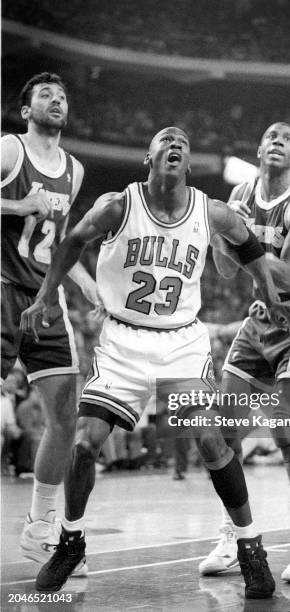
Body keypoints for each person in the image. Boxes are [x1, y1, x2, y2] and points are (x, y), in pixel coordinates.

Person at [21, 126, 290, 597]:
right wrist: (48, 294)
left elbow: (250, 246)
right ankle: (70, 541)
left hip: (180, 344)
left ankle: (251, 545)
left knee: (211, 442)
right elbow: (69, 244)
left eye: (183, 144)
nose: (175, 144)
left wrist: (270, 296)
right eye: (164, 141)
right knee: (85, 443)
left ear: (188, 165)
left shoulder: (210, 211)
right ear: (147, 158)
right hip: (123, 340)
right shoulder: (118, 205)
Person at [199, 122, 290, 582]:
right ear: (257, 147)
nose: (277, 141)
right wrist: (219, 230)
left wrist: (241, 238)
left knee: (288, 433)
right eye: (270, 135)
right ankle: (234, 533)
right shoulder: (238, 198)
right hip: (261, 316)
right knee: (225, 429)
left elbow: (289, 276)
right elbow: (223, 268)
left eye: (287, 139)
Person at [1, 72, 99, 574]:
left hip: (44, 298)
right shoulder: (9, 151)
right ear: (26, 109)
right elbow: (23, 212)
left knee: (66, 411)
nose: (57, 100)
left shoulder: (74, 169)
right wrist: (17, 204)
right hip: (0, 286)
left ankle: (41, 529)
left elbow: (59, 241)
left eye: (62, 95)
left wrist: (83, 282)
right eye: (45, 95)